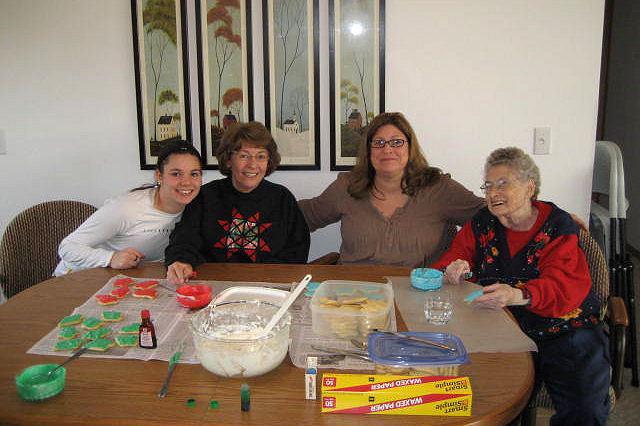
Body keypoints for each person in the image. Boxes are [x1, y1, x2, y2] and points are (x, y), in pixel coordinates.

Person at [433, 147, 610, 425]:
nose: (492, 193)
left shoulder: (558, 227)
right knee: (481, 399)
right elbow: (449, 261)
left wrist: (519, 294)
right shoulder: (482, 223)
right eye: (488, 185)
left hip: (563, 329)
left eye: (503, 183)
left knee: (585, 410)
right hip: (500, 327)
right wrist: (451, 270)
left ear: (530, 187)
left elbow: (564, 286)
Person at [298, 112, 484, 267]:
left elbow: (489, 217)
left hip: (418, 297)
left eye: (396, 142)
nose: (387, 150)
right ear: (368, 151)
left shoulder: (438, 188)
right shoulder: (347, 186)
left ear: (410, 148)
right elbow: (302, 216)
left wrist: (461, 259)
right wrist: (271, 201)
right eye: (378, 143)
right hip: (352, 296)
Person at [165, 122, 310, 285]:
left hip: (267, 287)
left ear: (269, 161)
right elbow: (184, 239)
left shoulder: (282, 199)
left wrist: (266, 280)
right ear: (228, 160)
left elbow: (297, 252)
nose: (252, 164)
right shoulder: (206, 197)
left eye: (261, 156)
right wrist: (181, 261)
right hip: (213, 285)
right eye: (244, 155)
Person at [54, 141, 204, 276]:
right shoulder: (126, 208)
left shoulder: (197, 208)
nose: (186, 182)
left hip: (126, 280)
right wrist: (111, 258)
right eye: (176, 174)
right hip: (76, 279)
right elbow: (68, 247)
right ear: (159, 176)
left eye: (194, 174)